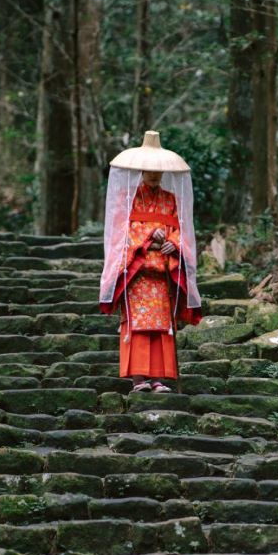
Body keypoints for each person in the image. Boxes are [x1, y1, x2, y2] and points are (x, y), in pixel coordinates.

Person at [99, 131, 202, 392]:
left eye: (158, 171)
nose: (154, 175)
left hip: (162, 272)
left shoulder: (171, 200)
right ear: (142, 170)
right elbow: (121, 231)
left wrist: (173, 243)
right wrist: (148, 237)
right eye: (150, 170)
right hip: (138, 273)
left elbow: (181, 229)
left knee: (161, 328)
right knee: (139, 326)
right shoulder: (128, 198)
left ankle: (158, 378)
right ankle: (138, 379)